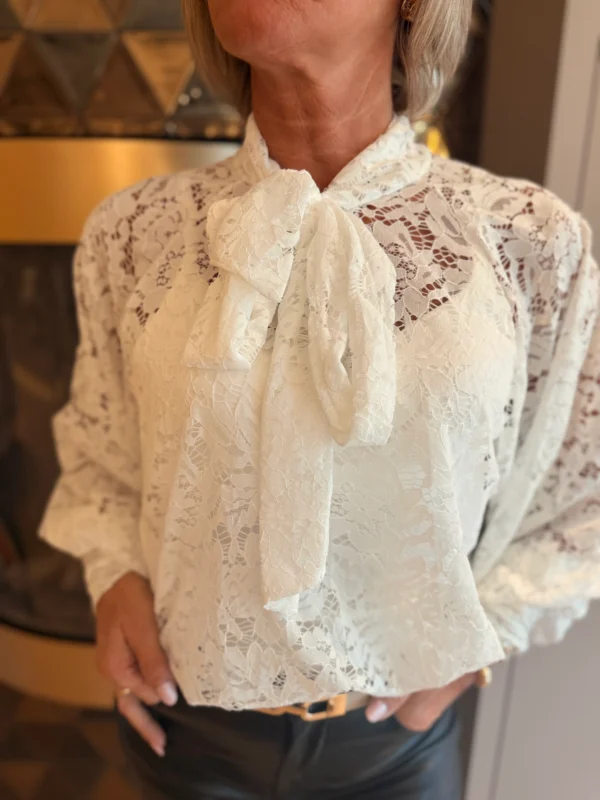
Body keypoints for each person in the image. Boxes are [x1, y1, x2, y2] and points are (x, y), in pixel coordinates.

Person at [41, 0, 600, 797]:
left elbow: (582, 492)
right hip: (185, 729)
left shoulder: (528, 241)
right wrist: (112, 579)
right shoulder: (134, 234)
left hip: (392, 749)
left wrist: (479, 645)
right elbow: (104, 457)